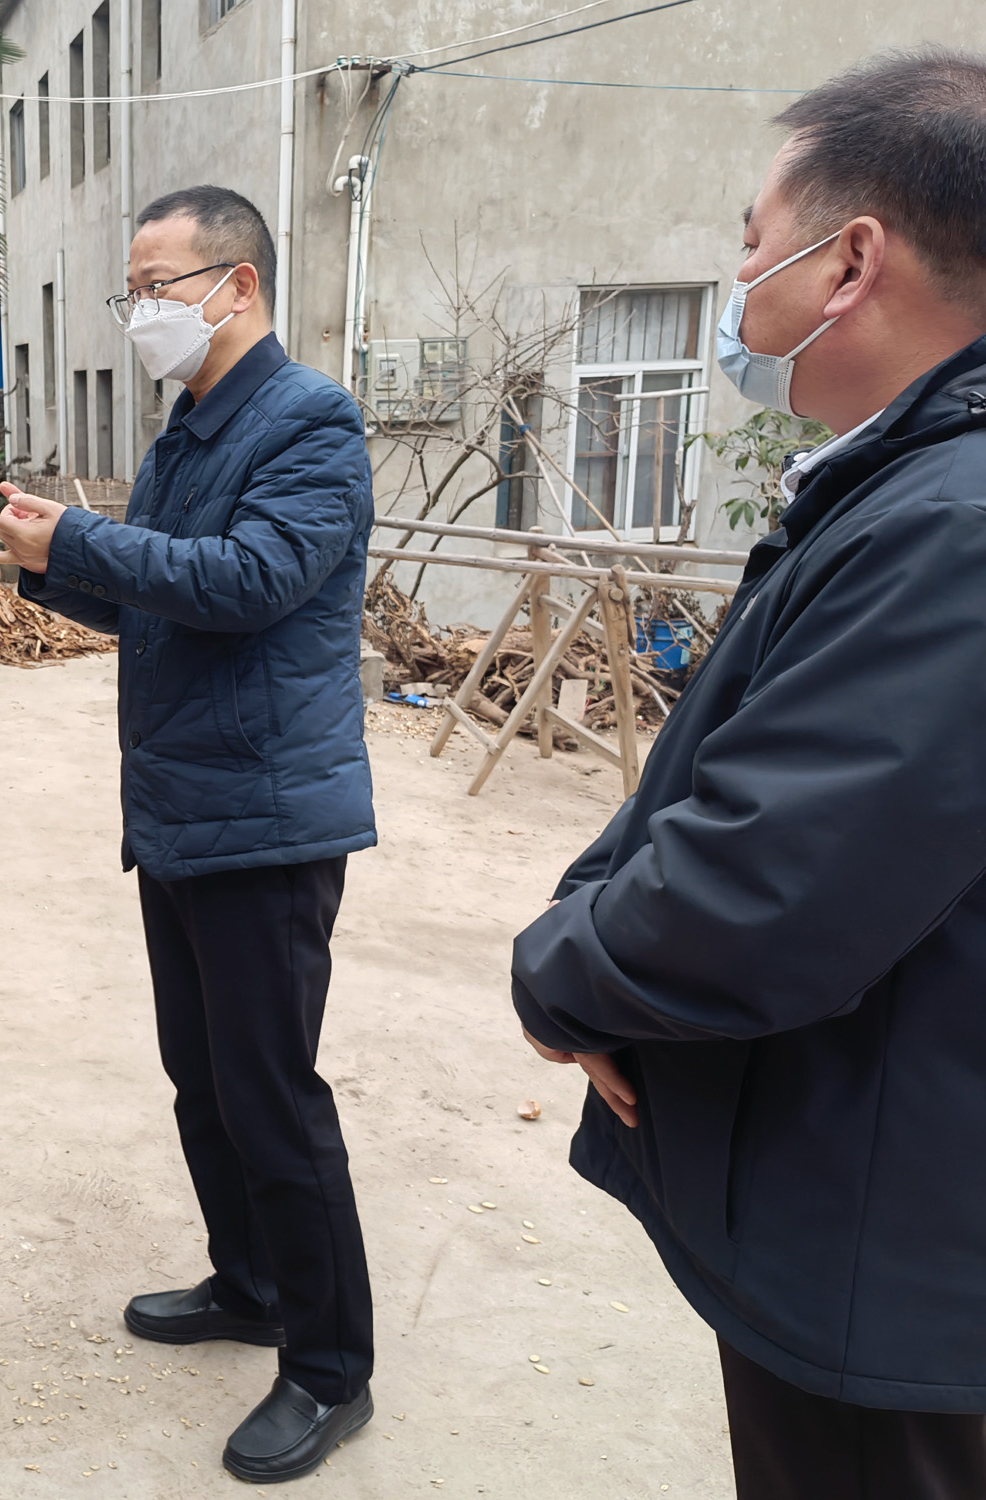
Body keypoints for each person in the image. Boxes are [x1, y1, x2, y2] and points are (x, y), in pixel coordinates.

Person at [512, 47, 986, 1500]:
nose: (736, 280)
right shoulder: (900, 481)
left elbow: (769, 881)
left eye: (748, 239)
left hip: (888, 1249)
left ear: (849, 261)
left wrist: (561, 978)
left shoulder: (952, 526)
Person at [0, 185, 377, 1483]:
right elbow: (159, 603)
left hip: (266, 817)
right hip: (179, 808)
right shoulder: (188, 429)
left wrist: (85, 538)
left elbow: (253, 582)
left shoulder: (309, 420)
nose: (140, 309)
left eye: (158, 286)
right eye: (133, 289)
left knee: (271, 1094)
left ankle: (330, 1370)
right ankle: (249, 1284)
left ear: (238, 285)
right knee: (202, 1080)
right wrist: (50, 566)